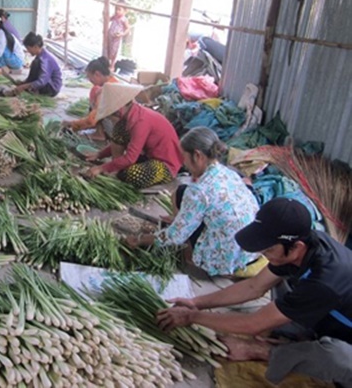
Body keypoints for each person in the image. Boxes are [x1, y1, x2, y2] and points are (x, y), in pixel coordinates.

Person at [157, 198, 352, 387]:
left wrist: (191, 317)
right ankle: (301, 338)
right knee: (282, 283)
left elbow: (253, 324)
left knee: (335, 356)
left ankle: (265, 351)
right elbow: (255, 286)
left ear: (296, 248)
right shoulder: (309, 244)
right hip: (331, 316)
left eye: (267, 250)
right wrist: (196, 303)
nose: (262, 255)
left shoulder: (325, 279)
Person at [125, 127, 264, 277]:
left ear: (197, 155)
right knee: (181, 191)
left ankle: (194, 256)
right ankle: (182, 222)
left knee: (181, 232)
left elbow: (174, 237)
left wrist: (140, 240)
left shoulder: (199, 191)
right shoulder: (229, 173)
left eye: (184, 157)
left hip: (227, 260)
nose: (184, 163)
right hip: (252, 252)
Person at [84, 83, 183, 190]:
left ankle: (118, 169)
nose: (109, 120)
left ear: (119, 111)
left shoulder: (141, 121)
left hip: (165, 165)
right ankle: (117, 167)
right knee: (119, 129)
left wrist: (101, 168)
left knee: (130, 174)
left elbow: (130, 158)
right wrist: (100, 154)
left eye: (110, 116)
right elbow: (118, 142)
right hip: (148, 156)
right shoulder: (132, 114)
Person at [62, 56, 119, 141]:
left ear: (97, 74)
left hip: (118, 131)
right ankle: (100, 132)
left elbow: (92, 120)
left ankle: (100, 134)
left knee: (96, 107)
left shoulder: (105, 90)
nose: (90, 81)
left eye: (90, 78)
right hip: (120, 125)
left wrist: (72, 125)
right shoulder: (113, 81)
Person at [9, 32, 61, 97]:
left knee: (36, 63)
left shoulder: (45, 59)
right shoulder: (40, 56)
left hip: (52, 88)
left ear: (35, 47)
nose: (28, 51)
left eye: (28, 48)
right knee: (35, 63)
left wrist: (24, 87)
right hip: (46, 83)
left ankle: (36, 91)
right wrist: (24, 83)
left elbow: (42, 81)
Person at [107, 0, 131, 72]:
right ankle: (107, 64)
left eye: (119, 9)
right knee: (108, 49)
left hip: (116, 38)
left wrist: (122, 34)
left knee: (114, 52)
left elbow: (128, 29)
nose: (117, 11)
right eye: (116, 9)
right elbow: (108, 19)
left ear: (125, 11)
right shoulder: (115, 16)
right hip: (110, 36)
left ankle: (112, 66)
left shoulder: (124, 19)